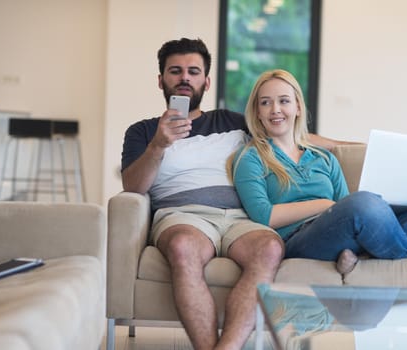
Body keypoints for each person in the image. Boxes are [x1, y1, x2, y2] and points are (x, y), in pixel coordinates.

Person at [121, 38, 349, 350]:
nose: (185, 77)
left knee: (269, 248)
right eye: (176, 71)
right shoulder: (143, 131)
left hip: (241, 217)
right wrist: (159, 145)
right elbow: (133, 186)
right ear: (161, 80)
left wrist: (356, 146)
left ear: (206, 81)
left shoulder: (231, 122)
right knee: (183, 246)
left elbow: (295, 136)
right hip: (184, 216)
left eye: (193, 71)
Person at [230, 69, 407, 275]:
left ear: (298, 107)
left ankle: (364, 259)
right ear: (257, 112)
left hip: (346, 234)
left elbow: (345, 205)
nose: (275, 109)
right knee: (364, 204)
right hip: (299, 239)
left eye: (284, 101)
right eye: (265, 102)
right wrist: (324, 205)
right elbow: (264, 215)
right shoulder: (250, 157)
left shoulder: (323, 157)